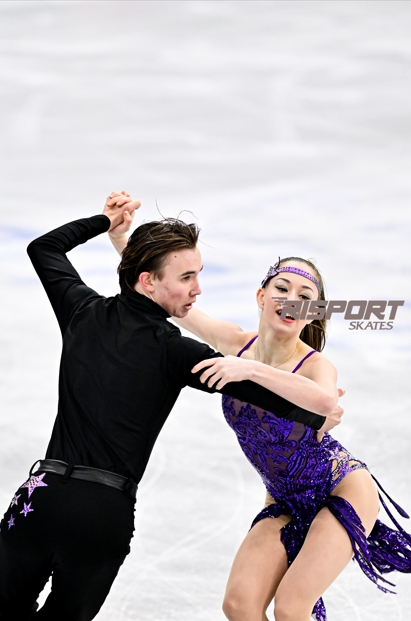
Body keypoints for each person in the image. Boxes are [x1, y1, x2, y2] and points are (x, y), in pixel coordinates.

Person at [0, 193, 342, 621]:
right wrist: (316, 413)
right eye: (187, 277)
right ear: (148, 282)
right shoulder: (177, 352)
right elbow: (280, 402)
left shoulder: (80, 310)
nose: (198, 288)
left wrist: (105, 223)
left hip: (40, 499)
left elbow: (44, 248)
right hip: (102, 517)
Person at [110, 208, 411, 621]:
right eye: (282, 289)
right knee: (239, 606)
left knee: (291, 607)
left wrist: (249, 370)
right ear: (261, 297)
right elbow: (169, 296)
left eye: (304, 298)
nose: (291, 301)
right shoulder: (235, 342)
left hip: (342, 488)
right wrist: (121, 241)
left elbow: (326, 402)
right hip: (282, 497)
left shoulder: (314, 364)